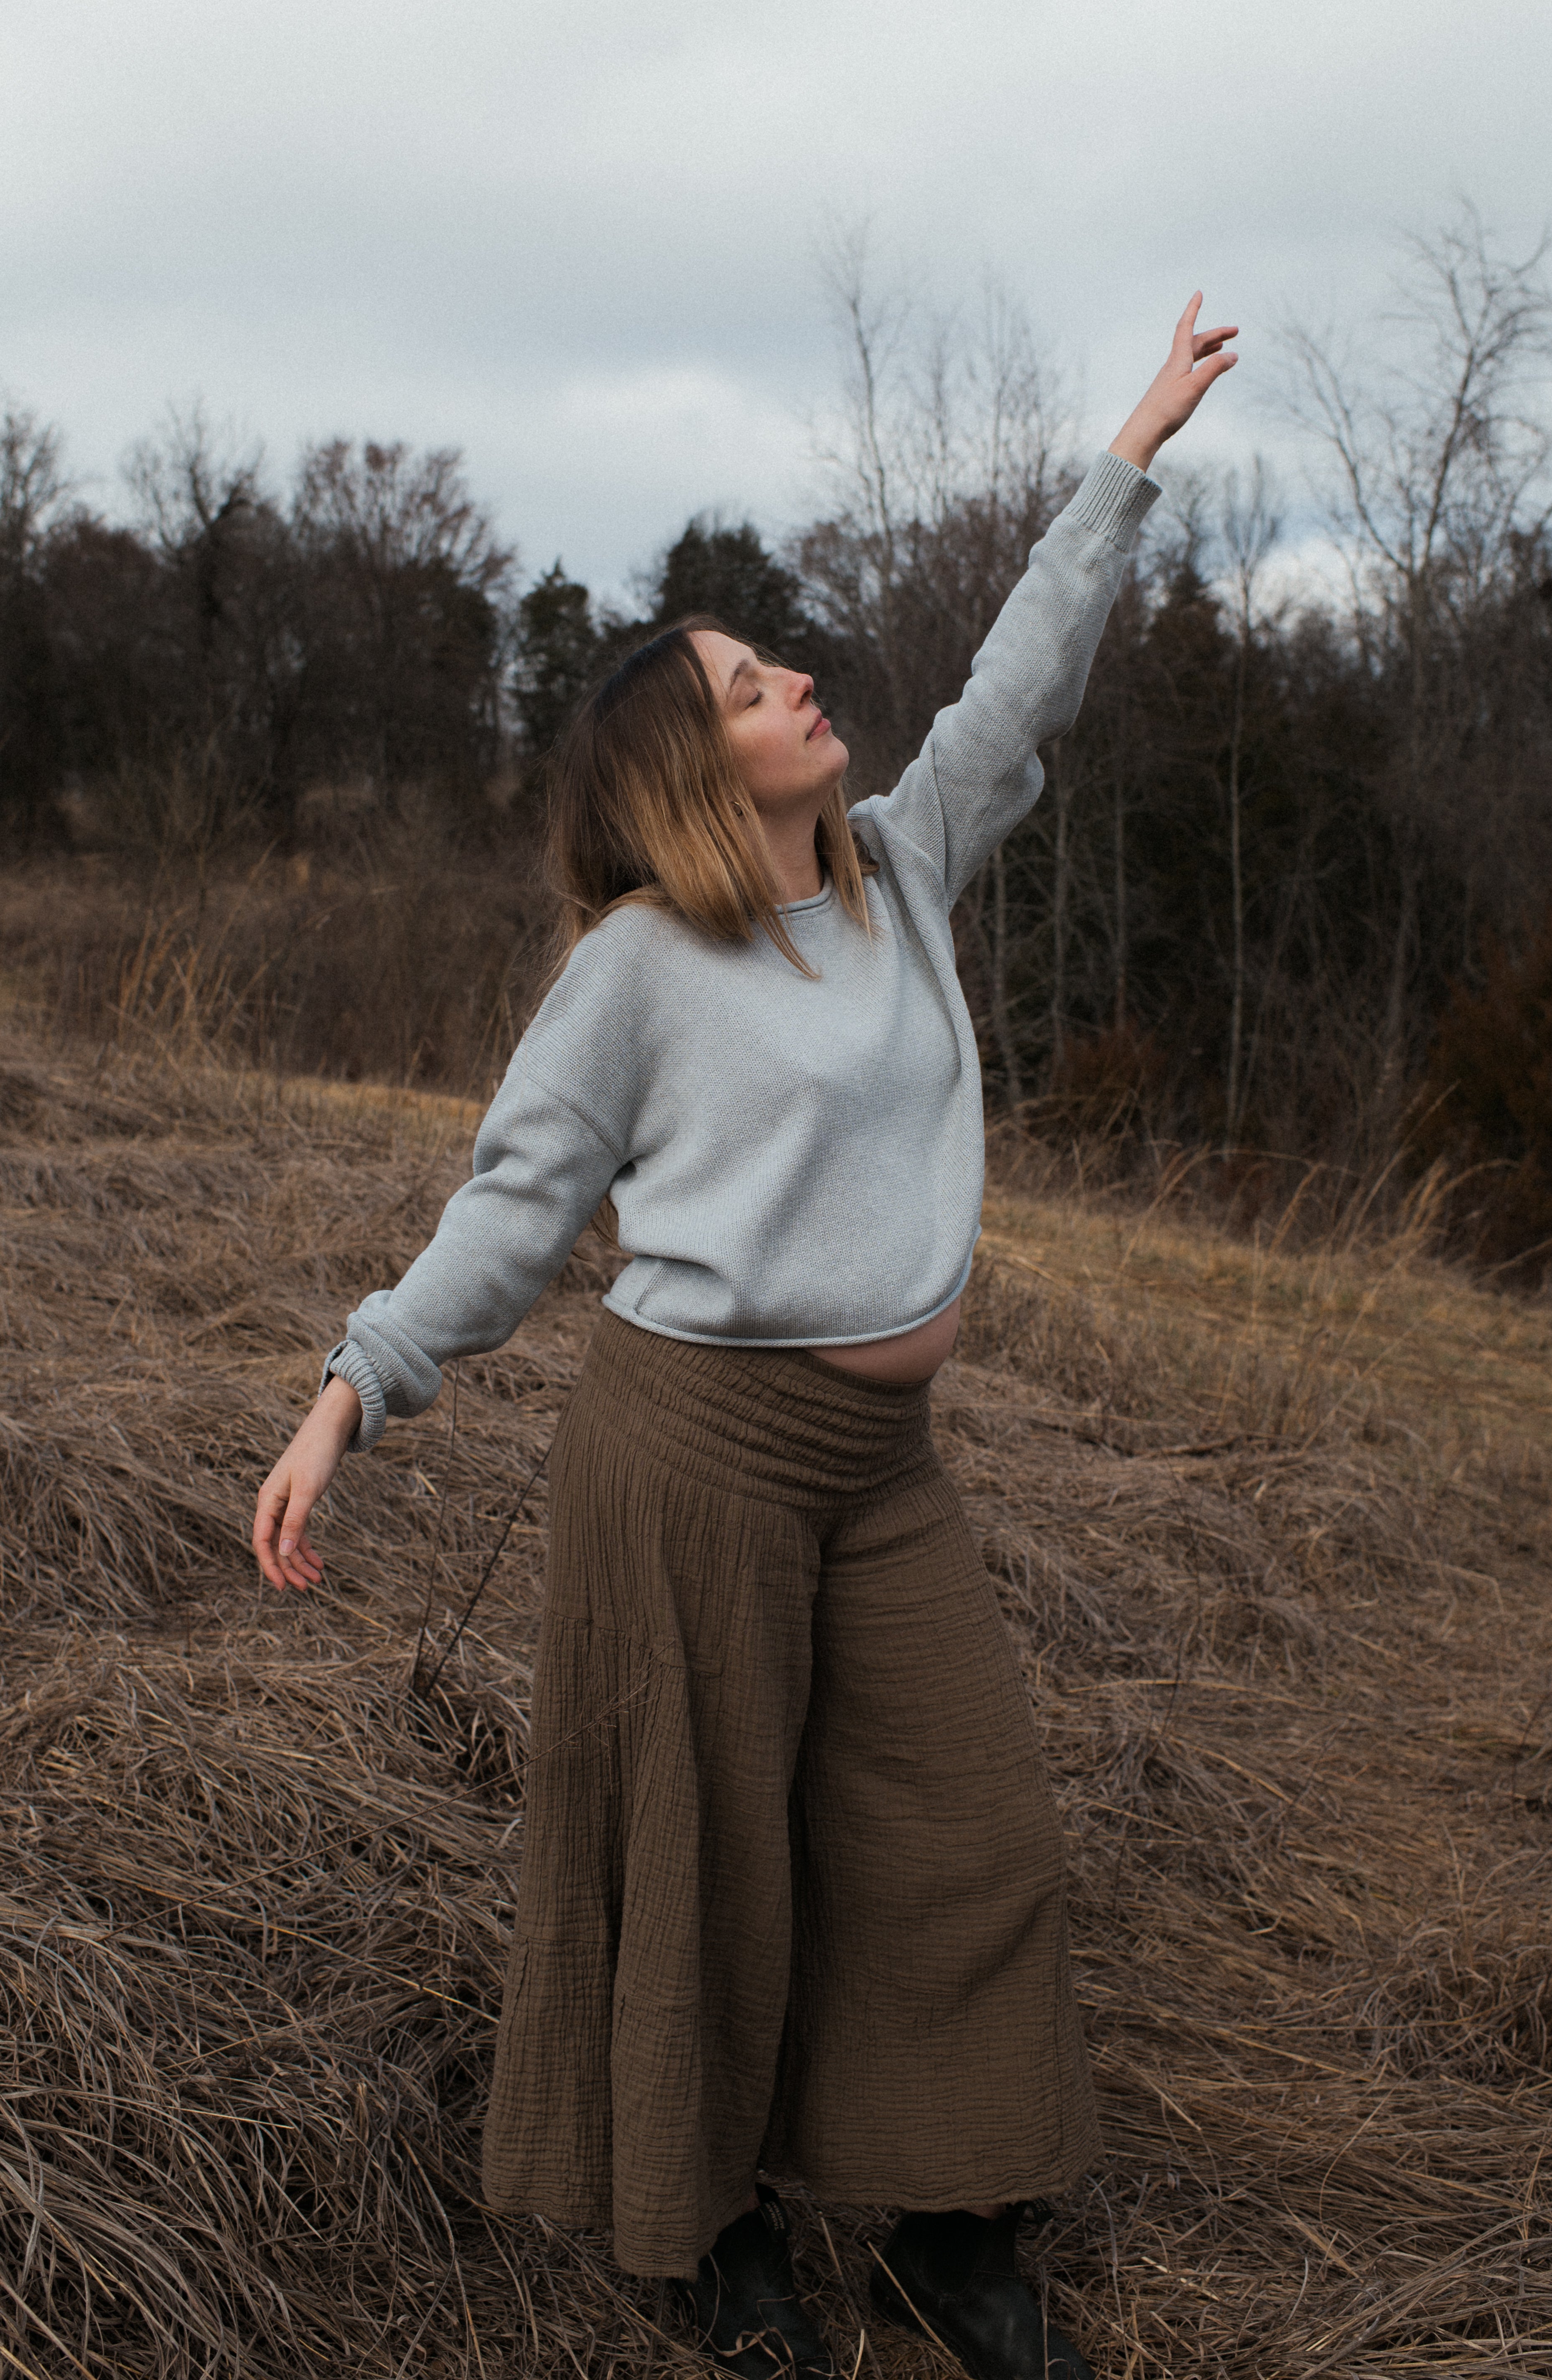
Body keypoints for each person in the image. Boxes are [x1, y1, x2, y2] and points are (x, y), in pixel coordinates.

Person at [254, 294, 1237, 2380]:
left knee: (967, 1831)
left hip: (880, 1477)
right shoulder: (637, 969)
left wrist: (1125, 455)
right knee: (702, 1869)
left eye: (776, 660)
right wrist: (357, 1388)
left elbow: (1021, 677)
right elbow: (518, 1207)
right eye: (746, 681)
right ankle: (706, 2246)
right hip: (692, 1458)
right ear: (693, 765)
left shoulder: (899, 866)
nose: (798, 678)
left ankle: (959, 2234)